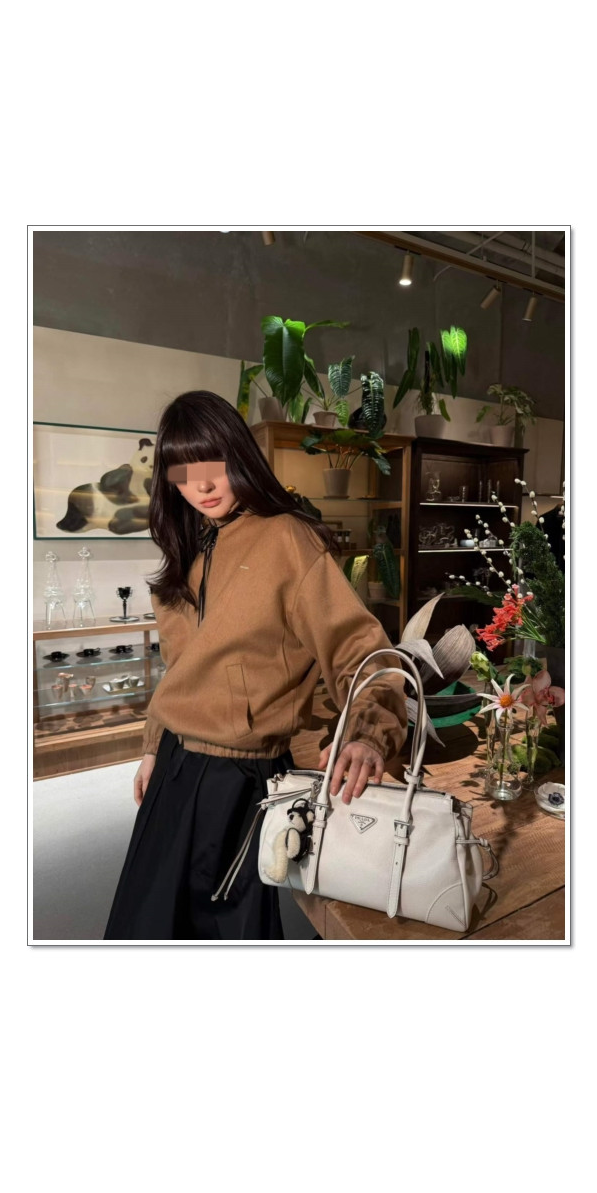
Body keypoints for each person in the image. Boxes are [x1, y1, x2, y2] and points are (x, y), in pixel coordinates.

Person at [103, 390, 410, 941]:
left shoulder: (287, 538)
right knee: (147, 926)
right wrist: (153, 745)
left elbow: (364, 652)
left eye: (212, 463)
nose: (202, 485)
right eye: (184, 472)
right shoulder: (188, 543)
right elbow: (180, 666)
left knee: (228, 935)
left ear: (239, 456)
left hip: (239, 778)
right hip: (174, 767)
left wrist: (369, 734)